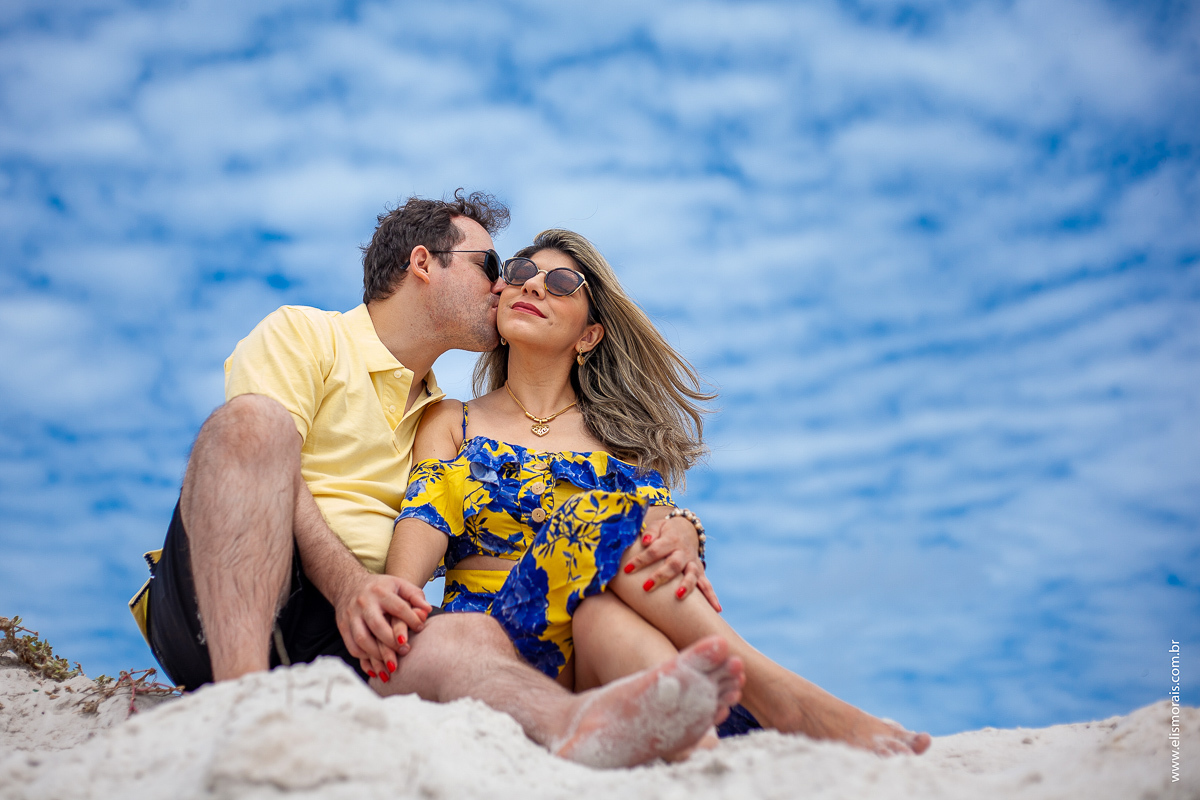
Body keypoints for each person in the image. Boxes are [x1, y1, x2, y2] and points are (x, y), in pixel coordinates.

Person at [127, 192, 745, 768]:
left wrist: (681, 524)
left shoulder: (443, 417)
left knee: (469, 633)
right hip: (227, 600)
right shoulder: (307, 335)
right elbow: (252, 463)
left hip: (354, 635)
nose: (507, 284)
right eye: (493, 265)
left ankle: (569, 725)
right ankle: (244, 712)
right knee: (252, 423)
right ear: (424, 262)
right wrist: (350, 588)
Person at [384, 228, 932, 756]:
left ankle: (698, 759)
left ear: (590, 335)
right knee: (594, 515)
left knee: (602, 615)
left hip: (589, 666)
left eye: (561, 284)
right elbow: (423, 519)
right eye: (524, 272)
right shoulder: (452, 419)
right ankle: (774, 690)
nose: (532, 285)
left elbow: (657, 535)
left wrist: (683, 533)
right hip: (500, 647)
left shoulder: (622, 446)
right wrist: (394, 606)